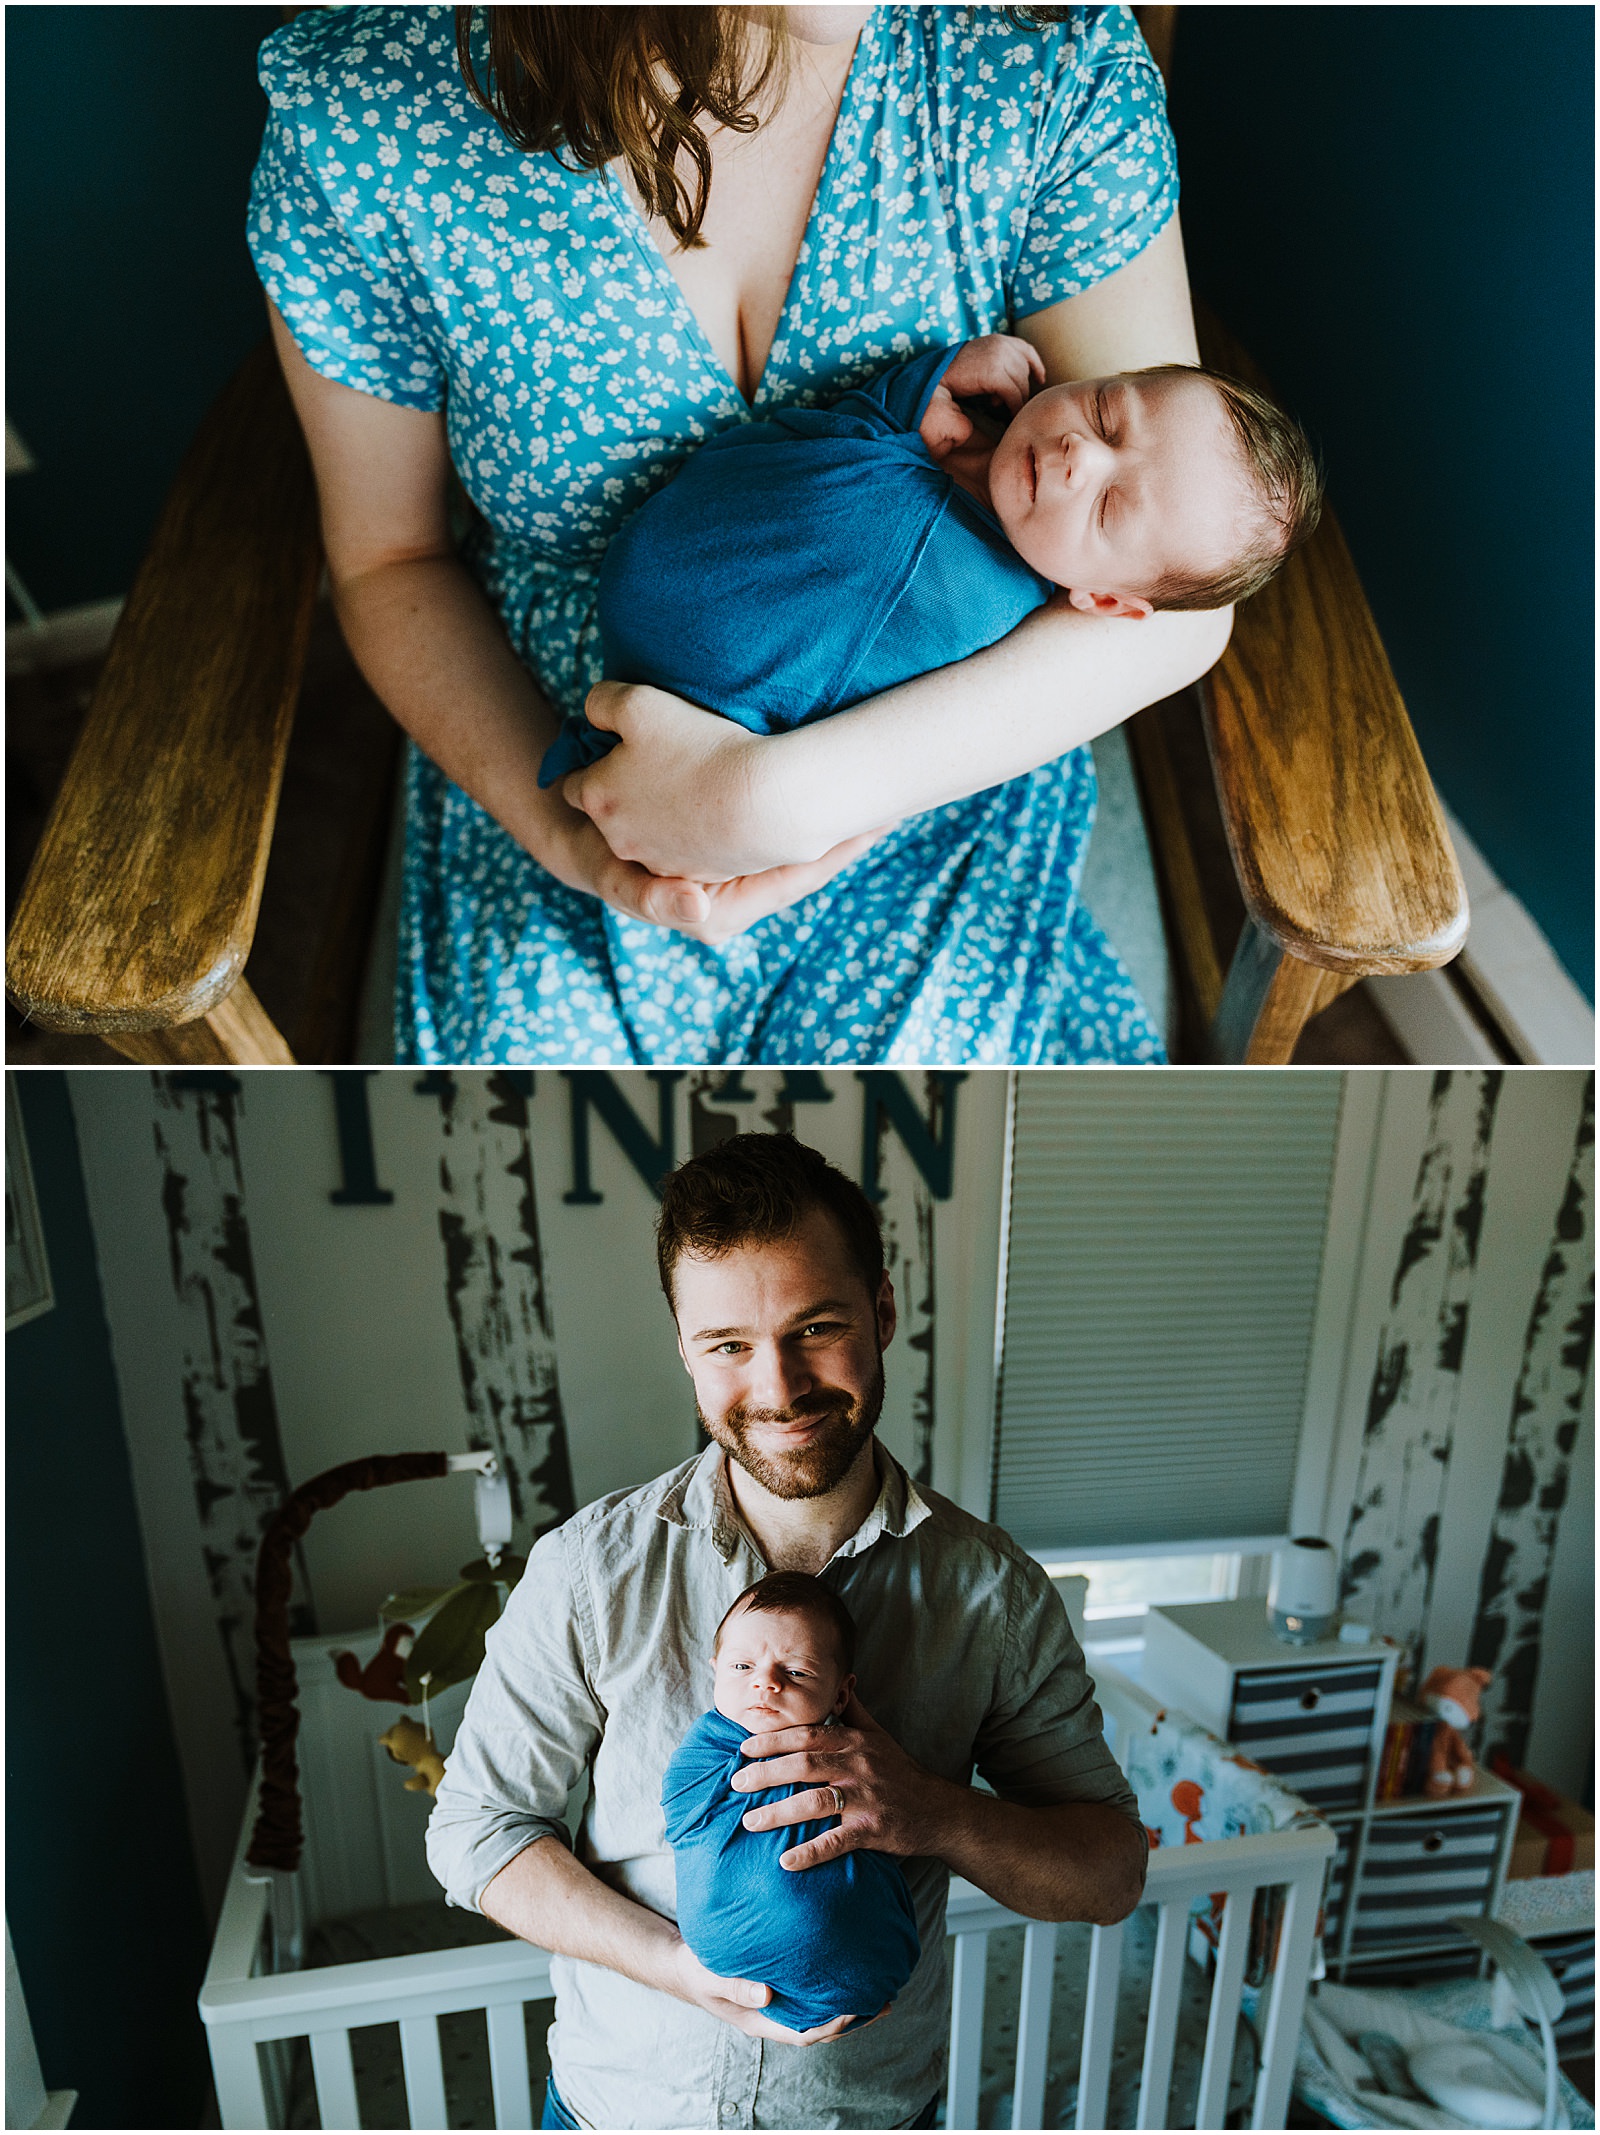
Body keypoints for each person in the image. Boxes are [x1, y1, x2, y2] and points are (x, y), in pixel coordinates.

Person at [247, 5, 1232, 1065]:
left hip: (928, 761)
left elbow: (1172, 606)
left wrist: (784, 796)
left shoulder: (1036, 58)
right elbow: (390, 560)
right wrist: (584, 844)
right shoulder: (362, 119)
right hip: (573, 753)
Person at [426, 1132, 1146, 2131]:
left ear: (882, 1311)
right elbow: (476, 1832)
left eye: (815, 1327)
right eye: (727, 1344)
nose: (779, 1387)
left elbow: (1110, 1868)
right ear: (684, 1347)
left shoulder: (993, 1594)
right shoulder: (588, 1570)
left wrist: (933, 1811)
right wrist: (681, 1969)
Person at [539, 332, 1321, 781]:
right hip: (667, 552)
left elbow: (855, 728)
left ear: (1107, 602)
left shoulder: (984, 618)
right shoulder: (948, 422)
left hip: (702, 712)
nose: (1083, 455)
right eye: (1107, 411)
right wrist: (928, 382)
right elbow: (835, 428)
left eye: (1111, 507)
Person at [661, 1572, 922, 2038]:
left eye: (796, 1672)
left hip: (866, 1976)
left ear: (841, 1694)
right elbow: (684, 1815)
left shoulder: (858, 1758)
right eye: (742, 1668)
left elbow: (884, 1822)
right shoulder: (706, 1751)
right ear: (715, 1670)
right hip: (721, 1959)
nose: (766, 1683)